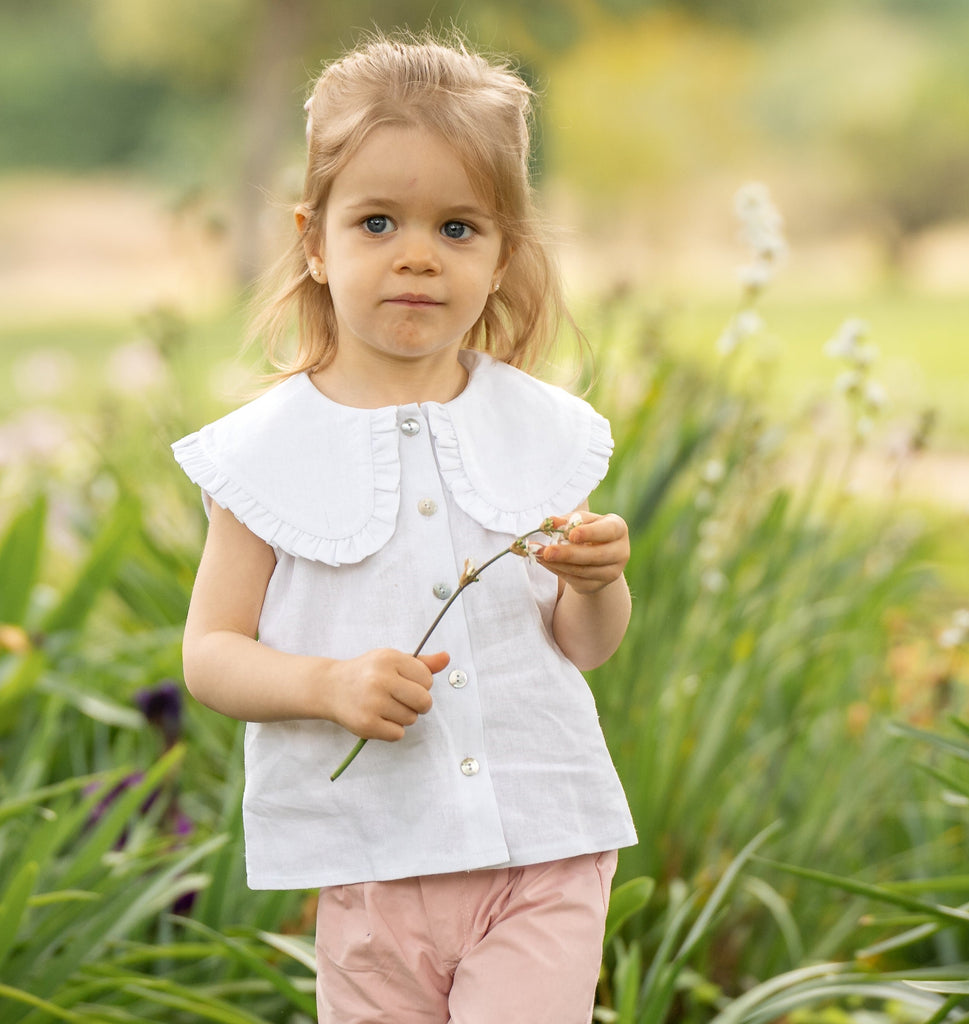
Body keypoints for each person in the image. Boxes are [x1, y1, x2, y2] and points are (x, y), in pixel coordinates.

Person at [173, 31, 636, 1024]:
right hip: (371, 861)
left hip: (541, 846)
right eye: (377, 222)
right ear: (313, 237)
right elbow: (210, 654)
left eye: (458, 228)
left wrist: (596, 585)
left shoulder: (538, 431)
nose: (418, 255)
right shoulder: (265, 455)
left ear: (504, 249)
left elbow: (582, 649)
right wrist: (325, 683)